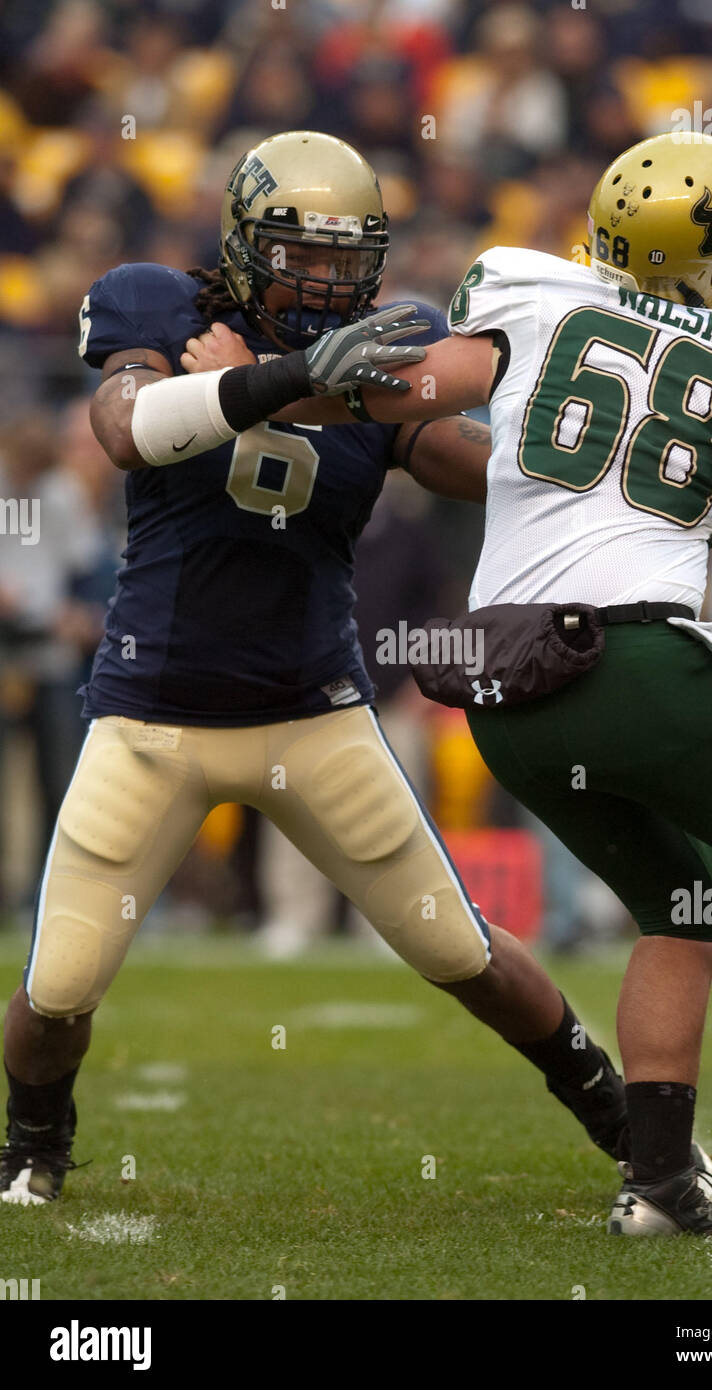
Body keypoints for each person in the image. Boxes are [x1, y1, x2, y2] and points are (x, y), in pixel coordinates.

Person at [2, 130, 655, 1206]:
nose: (327, 279)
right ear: (245, 243)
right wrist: (289, 379)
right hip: (153, 714)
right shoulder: (157, 304)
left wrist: (581, 456)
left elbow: (475, 467)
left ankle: (632, 1127)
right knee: (58, 989)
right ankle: (35, 1139)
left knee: (467, 955)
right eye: (301, 252)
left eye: (349, 257)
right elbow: (123, 428)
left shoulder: (387, 351)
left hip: (314, 710)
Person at [276, 132, 712, 1237]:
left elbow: (402, 391)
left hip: (506, 690)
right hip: (634, 656)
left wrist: (263, 393)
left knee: (676, 906)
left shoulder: (534, 295)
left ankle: (656, 1183)